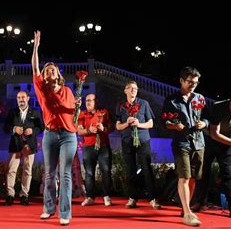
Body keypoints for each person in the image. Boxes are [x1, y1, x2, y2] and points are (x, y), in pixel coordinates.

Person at [32, 31, 78, 226]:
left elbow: (70, 110)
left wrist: (75, 105)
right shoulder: (41, 90)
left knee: (65, 173)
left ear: (58, 74)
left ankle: (65, 212)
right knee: (50, 173)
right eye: (47, 69)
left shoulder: (68, 91)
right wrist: (35, 47)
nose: (50, 71)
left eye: (53, 69)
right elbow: (34, 66)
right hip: (50, 135)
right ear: (44, 75)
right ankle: (49, 208)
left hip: (68, 136)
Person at [191, 86, 231, 220]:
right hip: (209, 141)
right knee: (203, 172)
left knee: (228, 175)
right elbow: (214, 134)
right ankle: (200, 202)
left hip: (227, 142)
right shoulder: (218, 107)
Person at [161, 67, 208, 226]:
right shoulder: (171, 100)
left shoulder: (200, 98)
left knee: (194, 177)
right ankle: (188, 213)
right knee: (184, 176)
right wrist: (174, 126)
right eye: (190, 82)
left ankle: (184, 206)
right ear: (181, 80)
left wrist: (204, 123)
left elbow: (208, 118)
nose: (193, 85)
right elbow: (164, 122)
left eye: (195, 83)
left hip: (199, 142)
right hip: (181, 143)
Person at [115, 81, 161, 210]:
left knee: (146, 168)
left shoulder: (144, 104)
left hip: (143, 140)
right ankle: (132, 198)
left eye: (135, 88)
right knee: (130, 170)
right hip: (127, 140)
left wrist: (138, 124)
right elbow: (118, 126)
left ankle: (152, 198)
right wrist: (127, 123)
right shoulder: (120, 105)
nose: (134, 90)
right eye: (130, 88)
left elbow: (151, 123)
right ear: (125, 90)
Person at [3, 90, 44, 206]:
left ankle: (24, 195)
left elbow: (41, 127)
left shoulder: (35, 112)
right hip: (15, 145)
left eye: (23, 97)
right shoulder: (12, 112)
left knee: (27, 171)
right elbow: (5, 127)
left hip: (29, 146)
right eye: (18, 98)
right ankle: (10, 195)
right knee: (11, 170)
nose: (21, 100)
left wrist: (33, 131)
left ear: (28, 99)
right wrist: (13, 130)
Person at [77, 93, 114, 207]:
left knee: (106, 171)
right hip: (88, 146)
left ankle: (106, 196)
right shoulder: (82, 114)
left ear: (95, 101)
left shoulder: (104, 112)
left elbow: (112, 128)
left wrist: (104, 128)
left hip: (103, 146)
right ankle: (90, 197)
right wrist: (89, 130)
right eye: (86, 100)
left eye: (90, 100)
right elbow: (79, 131)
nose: (87, 102)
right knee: (89, 173)